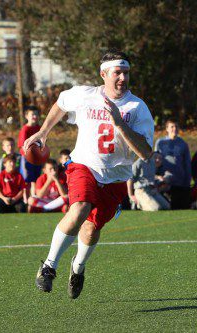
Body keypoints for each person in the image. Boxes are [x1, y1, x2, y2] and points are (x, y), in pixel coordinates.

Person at [24, 50, 153, 298]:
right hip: (84, 166)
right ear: (103, 74)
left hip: (115, 178)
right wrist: (43, 133)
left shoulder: (137, 107)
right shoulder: (85, 95)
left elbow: (145, 153)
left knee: (91, 229)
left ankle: (78, 268)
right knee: (80, 206)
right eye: (118, 72)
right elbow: (61, 103)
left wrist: (120, 123)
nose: (123, 78)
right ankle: (49, 266)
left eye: (126, 72)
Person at [155, 119, 191, 209]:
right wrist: (156, 176)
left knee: (178, 207)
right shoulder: (160, 143)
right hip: (164, 182)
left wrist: (187, 182)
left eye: (176, 127)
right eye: (172, 127)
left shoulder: (183, 144)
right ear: (167, 129)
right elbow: (155, 161)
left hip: (179, 182)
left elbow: (187, 164)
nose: (174, 129)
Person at [18, 106, 43, 196]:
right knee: (26, 180)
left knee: (35, 180)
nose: (34, 116)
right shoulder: (25, 129)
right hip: (27, 159)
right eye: (32, 114)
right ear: (26, 116)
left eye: (36, 114)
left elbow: (42, 142)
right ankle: (25, 200)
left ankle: (33, 198)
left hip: (37, 158)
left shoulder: (39, 128)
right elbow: (23, 146)